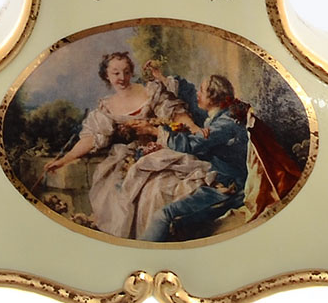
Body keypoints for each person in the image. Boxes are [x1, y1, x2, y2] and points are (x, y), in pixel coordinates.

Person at [43, 52, 211, 240]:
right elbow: (90, 139)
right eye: (116, 73)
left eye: (126, 72)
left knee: (157, 190)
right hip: (128, 157)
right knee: (117, 194)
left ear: (131, 72)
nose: (121, 78)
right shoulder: (106, 107)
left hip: (159, 150)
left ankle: (159, 237)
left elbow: (177, 115)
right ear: (106, 75)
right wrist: (64, 160)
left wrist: (195, 129)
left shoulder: (150, 91)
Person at [139, 73, 251, 242]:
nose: (197, 94)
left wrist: (153, 131)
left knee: (163, 215)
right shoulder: (220, 117)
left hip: (228, 187)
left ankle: (144, 252)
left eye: (202, 91)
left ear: (213, 97)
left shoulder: (225, 123)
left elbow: (190, 146)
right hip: (220, 177)